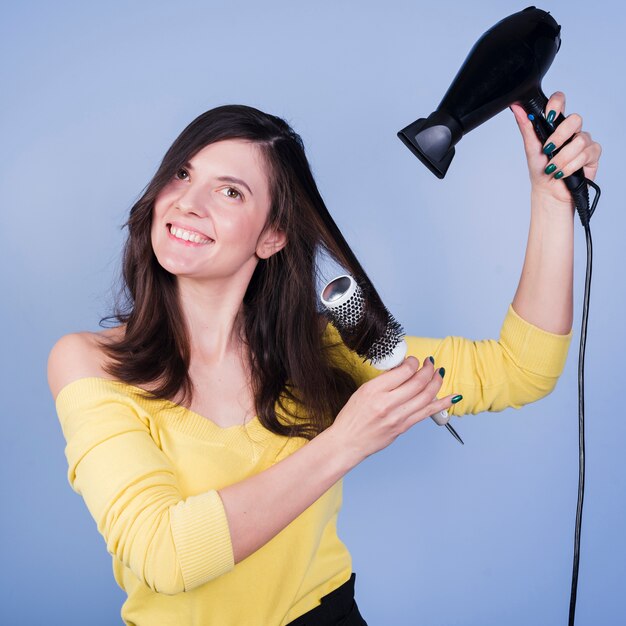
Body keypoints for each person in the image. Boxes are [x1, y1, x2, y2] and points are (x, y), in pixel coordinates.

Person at [48, 92, 601, 626]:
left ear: (272, 236)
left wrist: (552, 201)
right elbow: (165, 555)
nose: (188, 202)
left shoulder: (322, 347)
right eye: (183, 174)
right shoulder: (91, 364)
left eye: (231, 192)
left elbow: (521, 369)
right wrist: (347, 442)